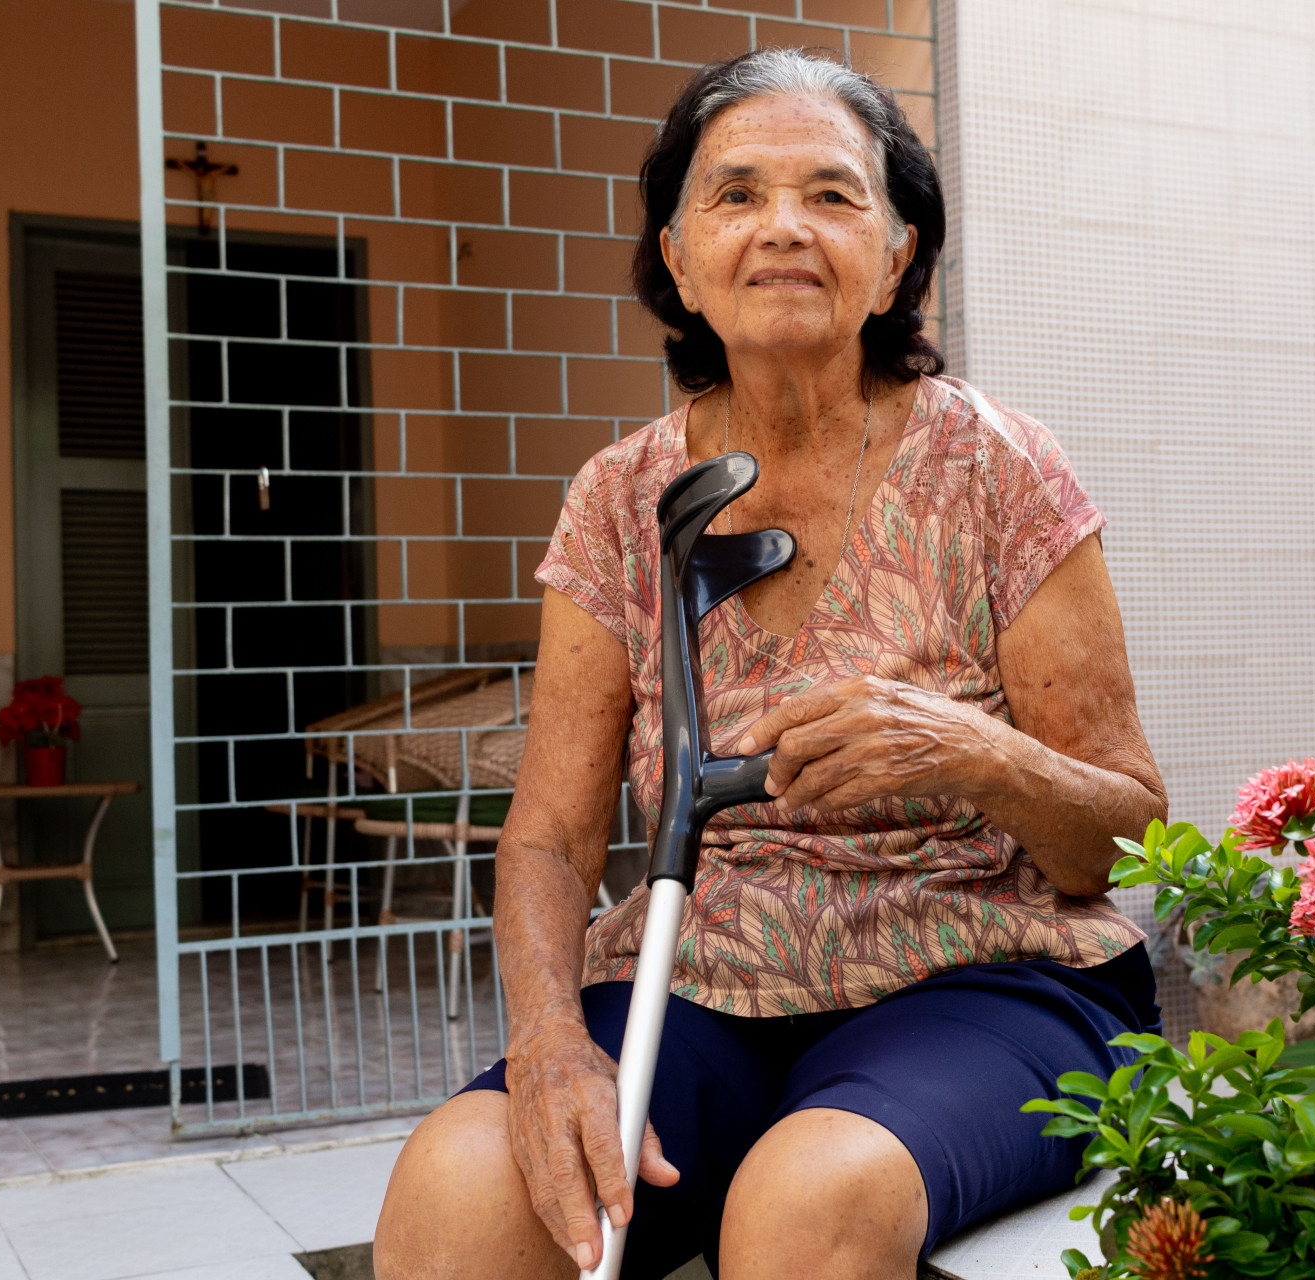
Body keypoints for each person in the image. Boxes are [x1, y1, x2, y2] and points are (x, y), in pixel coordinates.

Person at [374, 48, 1167, 1280]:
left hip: (980, 973)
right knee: (460, 1190)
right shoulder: (620, 498)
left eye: (833, 194)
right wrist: (547, 1045)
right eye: (736, 194)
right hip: (698, 974)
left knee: (805, 1204)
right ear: (678, 257)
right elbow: (548, 839)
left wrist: (975, 753)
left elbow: (1123, 834)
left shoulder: (998, 467)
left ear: (898, 254)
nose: (784, 227)